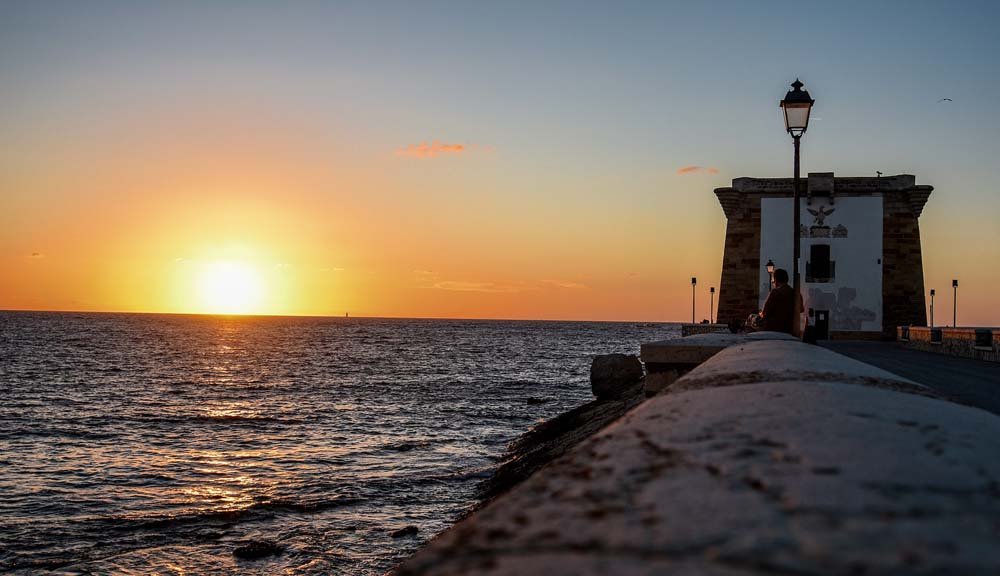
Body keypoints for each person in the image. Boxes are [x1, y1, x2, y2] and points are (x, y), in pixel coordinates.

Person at [760, 268, 798, 334]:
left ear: (775, 279)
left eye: (772, 279)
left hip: (774, 329)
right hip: (790, 329)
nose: (772, 282)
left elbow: (764, 313)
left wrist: (760, 314)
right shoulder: (795, 293)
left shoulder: (775, 292)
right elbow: (801, 310)